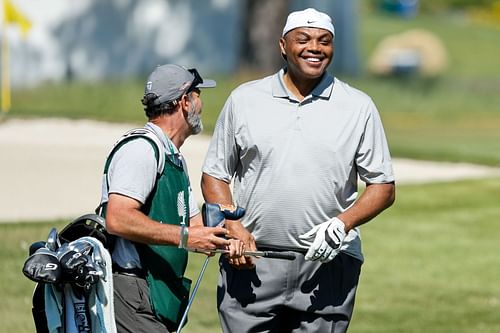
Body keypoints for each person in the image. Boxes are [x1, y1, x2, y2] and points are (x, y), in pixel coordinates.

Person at [201, 8, 396, 333]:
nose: (314, 48)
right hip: (253, 261)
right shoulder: (245, 99)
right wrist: (234, 227)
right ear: (283, 45)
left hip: (329, 266)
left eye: (324, 41)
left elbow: (383, 187)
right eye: (303, 39)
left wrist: (341, 224)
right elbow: (215, 175)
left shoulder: (358, 105)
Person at [99, 64, 243, 333]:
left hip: (156, 291)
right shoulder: (141, 150)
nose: (201, 103)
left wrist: (230, 238)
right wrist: (186, 237)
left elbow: (195, 227)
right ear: (183, 102)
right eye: (197, 94)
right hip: (133, 289)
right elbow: (117, 219)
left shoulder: (173, 157)